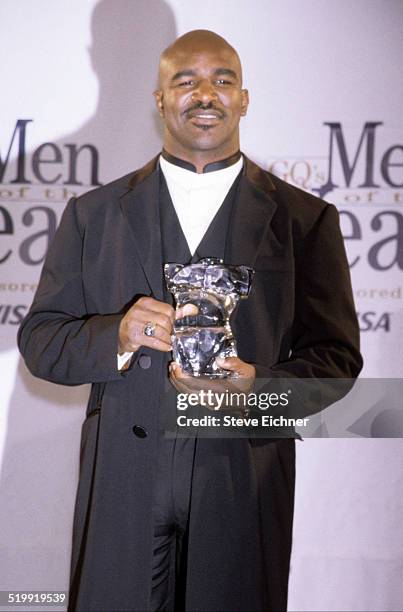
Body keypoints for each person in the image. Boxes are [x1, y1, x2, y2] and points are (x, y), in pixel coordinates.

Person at [18, 29, 362, 612]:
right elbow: (41, 342)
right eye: (186, 80)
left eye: (222, 80)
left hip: (243, 482)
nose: (205, 93)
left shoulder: (306, 220)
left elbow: (337, 361)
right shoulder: (92, 215)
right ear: (159, 100)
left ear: (244, 99)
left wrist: (262, 391)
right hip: (124, 481)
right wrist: (117, 336)